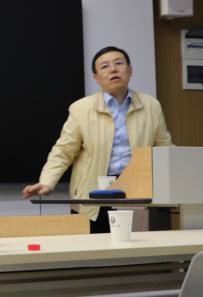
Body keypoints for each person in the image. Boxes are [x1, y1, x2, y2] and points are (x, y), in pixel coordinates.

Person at [22, 46, 173, 233]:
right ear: (96, 77)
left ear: (130, 70)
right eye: (105, 66)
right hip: (95, 191)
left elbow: (165, 149)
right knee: (92, 246)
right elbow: (64, 151)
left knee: (137, 246)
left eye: (118, 63)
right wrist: (47, 182)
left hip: (138, 190)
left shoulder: (151, 105)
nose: (113, 69)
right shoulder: (81, 108)